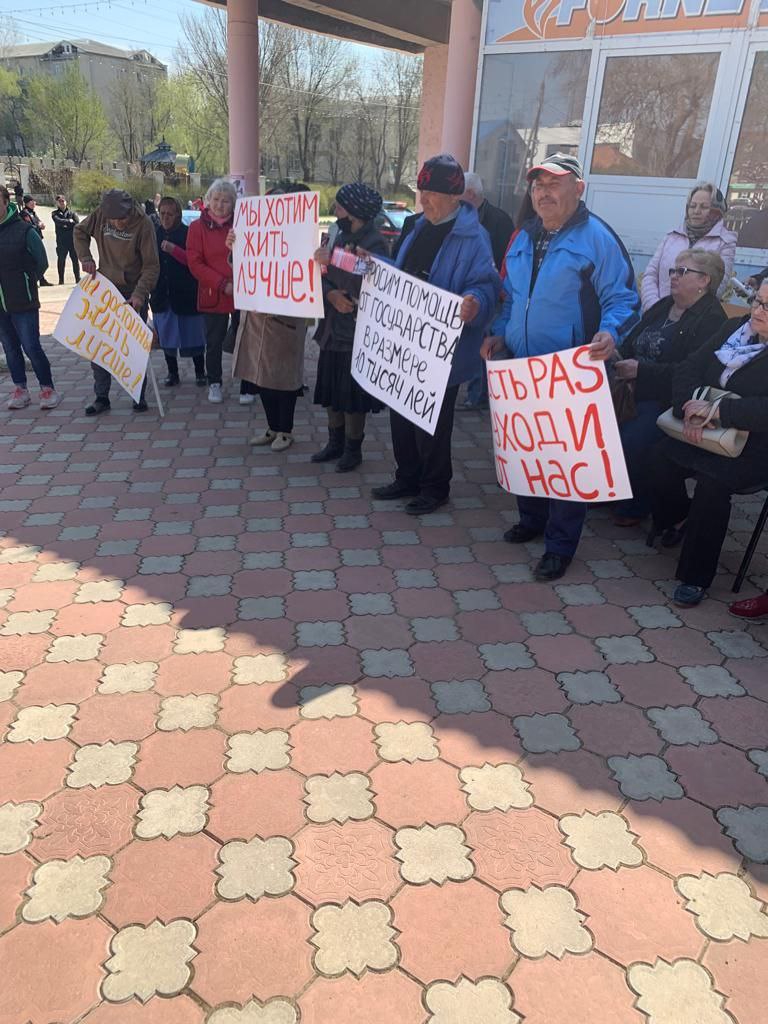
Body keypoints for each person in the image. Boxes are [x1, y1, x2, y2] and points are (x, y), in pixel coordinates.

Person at [482, 152, 640, 581]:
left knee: (568, 462)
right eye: (538, 185)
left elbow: (625, 299)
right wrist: (500, 333)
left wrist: (611, 333)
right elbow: (511, 298)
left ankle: (560, 545)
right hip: (522, 370)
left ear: (579, 188)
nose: (544, 192)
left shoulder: (597, 238)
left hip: (571, 372)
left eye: (554, 183)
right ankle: (531, 519)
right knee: (527, 449)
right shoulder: (523, 236)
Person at [372, 153, 500, 515]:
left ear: (454, 196)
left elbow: (487, 285)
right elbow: (401, 273)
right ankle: (407, 476)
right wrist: (371, 265)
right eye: (421, 192)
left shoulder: (475, 238)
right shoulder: (417, 226)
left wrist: (475, 303)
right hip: (406, 340)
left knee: (432, 422)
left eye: (430, 193)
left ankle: (434, 486)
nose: (423, 200)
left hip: (442, 348)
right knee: (401, 411)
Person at [648, 280, 768, 607]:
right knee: (657, 458)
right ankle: (681, 517)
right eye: (756, 300)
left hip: (753, 446)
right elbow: (689, 367)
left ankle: (695, 577)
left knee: (712, 486)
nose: (757, 310)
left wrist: (717, 412)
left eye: (767, 306)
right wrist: (687, 409)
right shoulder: (733, 328)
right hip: (701, 428)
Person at [610, 249, 727, 525]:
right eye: (674, 270)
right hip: (630, 389)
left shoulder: (712, 319)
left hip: (668, 398)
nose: (673, 275)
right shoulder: (664, 305)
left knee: (632, 438)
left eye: (682, 271)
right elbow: (632, 340)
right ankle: (610, 489)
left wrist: (642, 371)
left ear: (704, 280)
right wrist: (616, 353)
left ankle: (637, 503)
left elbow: (694, 372)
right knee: (596, 425)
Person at [311, 183, 388, 471]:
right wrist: (329, 293)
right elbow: (322, 274)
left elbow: (367, 280)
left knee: (352, 395)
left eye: (341, 206)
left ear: (355, 211)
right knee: (331, 390)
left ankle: (353, 448)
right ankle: (335, 443)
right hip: (332, 327)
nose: (335, 210)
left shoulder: (375, 244)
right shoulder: (337, 235)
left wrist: (332, 265)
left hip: (356, 331)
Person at [74, 188, 160, 415]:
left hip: (133, 291)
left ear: (129, 211)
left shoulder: (144, 224)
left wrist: (140, 293)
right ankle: (101, 396)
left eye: (121, 219)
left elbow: (152, 265)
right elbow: (79, 231)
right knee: (100, 344)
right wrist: (85, 257)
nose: (117, 223)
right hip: (105, 288)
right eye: (112, 220)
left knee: (133, 345)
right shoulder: (100, 214)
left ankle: (138, 395)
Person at [0, 186, 60, 410]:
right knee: (10, 348)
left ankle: (47, 388)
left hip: (23, 299)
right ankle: (20, 389)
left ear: (6, 202)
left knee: (31, 346)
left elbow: (41, 261)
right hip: (1, 305)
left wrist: (27, 279)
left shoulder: (24, 230)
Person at [641, 184, 736, 311]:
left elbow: (716, 287)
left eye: (704, 207)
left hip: (692, 317)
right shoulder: (671, 236)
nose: (696, 211)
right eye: (692, 206)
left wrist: (682, 314)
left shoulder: (725, 242)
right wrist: (654, 307)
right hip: (656, 312)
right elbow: (650, 274)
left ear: (716, 211)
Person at [186, 178, 240, 404]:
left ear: (233, 204)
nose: (220, 205)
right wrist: (221, 284)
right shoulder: (196, 228)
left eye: (226, 201)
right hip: (213, 292)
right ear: (208, 200)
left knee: (243, 338)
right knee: (214, 341)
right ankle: (214, 382)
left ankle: (247, 383)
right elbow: (195, 263)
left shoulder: (241, 224)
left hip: (241, 291)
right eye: (216, 199)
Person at [150, 196, 207, 389]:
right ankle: (172, 373)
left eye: (170, 214)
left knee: (194, 336)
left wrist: (175, 250)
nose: (165, 218)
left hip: (186, 295)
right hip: (162, 295)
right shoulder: (154, 234)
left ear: (178, 215)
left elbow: (196, 263)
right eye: (162, 213)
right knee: (166, 338)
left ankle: (200, 372)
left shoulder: (188, 233)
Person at [20, 196, 52, 287]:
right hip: (31, 240)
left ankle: (42, 279)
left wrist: (41, 224)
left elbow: (38, 221)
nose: (34, 203)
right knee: (34, 260)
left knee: (40, 260)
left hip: (37, 237)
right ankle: (35, 279)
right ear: (27, 203)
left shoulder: (32, 212)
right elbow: (28, 226)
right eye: (32, 201)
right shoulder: (24, 213)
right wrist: (38, 226)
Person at [51, 195, 80, 285]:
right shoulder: (54, 213)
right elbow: (58, 221)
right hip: (61, 241)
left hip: (72, 240)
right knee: (61, 260)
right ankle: (61, 280)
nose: (62, 203)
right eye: (59, 201)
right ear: (57, 203)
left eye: (63, 201)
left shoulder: (72, 213)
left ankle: (77, 278)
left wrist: (66, 224)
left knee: (75, 260)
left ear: (66, 202)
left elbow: (77, 223)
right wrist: (69, 222)